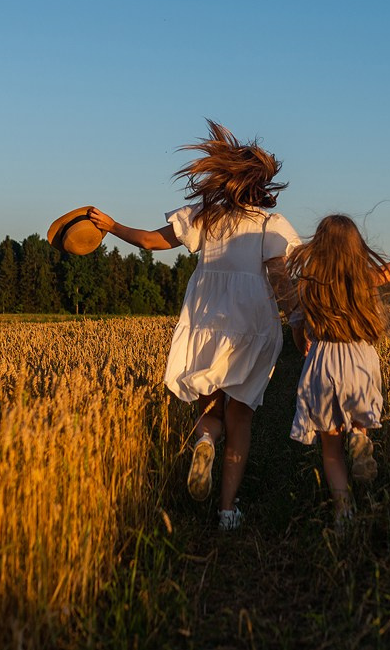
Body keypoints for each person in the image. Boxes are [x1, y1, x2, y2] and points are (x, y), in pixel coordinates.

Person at [86, 121, 301, 530]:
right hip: (251, 326)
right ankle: (226, 511)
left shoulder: (205, 217)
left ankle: (204, 442)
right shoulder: (270, 226)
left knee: (210, 410)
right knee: (240, 421)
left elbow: (150, 241)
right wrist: (295, 320)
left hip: (205, 321)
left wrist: (111, 226)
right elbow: (280, 278)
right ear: (261, 186)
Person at [286, 213, 390, 525]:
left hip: (322, 360)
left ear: (319, 247)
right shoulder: (367, 279)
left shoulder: (308, 286)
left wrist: (302, 345)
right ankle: (359, 434)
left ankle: (344, 513)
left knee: (330, 449)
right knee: (355, 419)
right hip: (360, 358)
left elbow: (297, 328)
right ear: (356, 248)